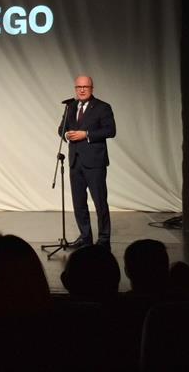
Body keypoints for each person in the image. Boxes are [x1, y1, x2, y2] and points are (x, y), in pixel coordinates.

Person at [59, 75, 116, 249]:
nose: (82, 90)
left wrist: (87, 134)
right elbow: (61, 129)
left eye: (85, 87)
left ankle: (104, 240)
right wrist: (66, 134)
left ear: (92, 88)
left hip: (95, 163)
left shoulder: (102, 107)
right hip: (75, 162)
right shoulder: (70, 106)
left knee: (100, 202)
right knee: (79, 203)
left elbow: (110, 130)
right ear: (75, 89)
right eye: (79, 87)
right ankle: (85, 238)